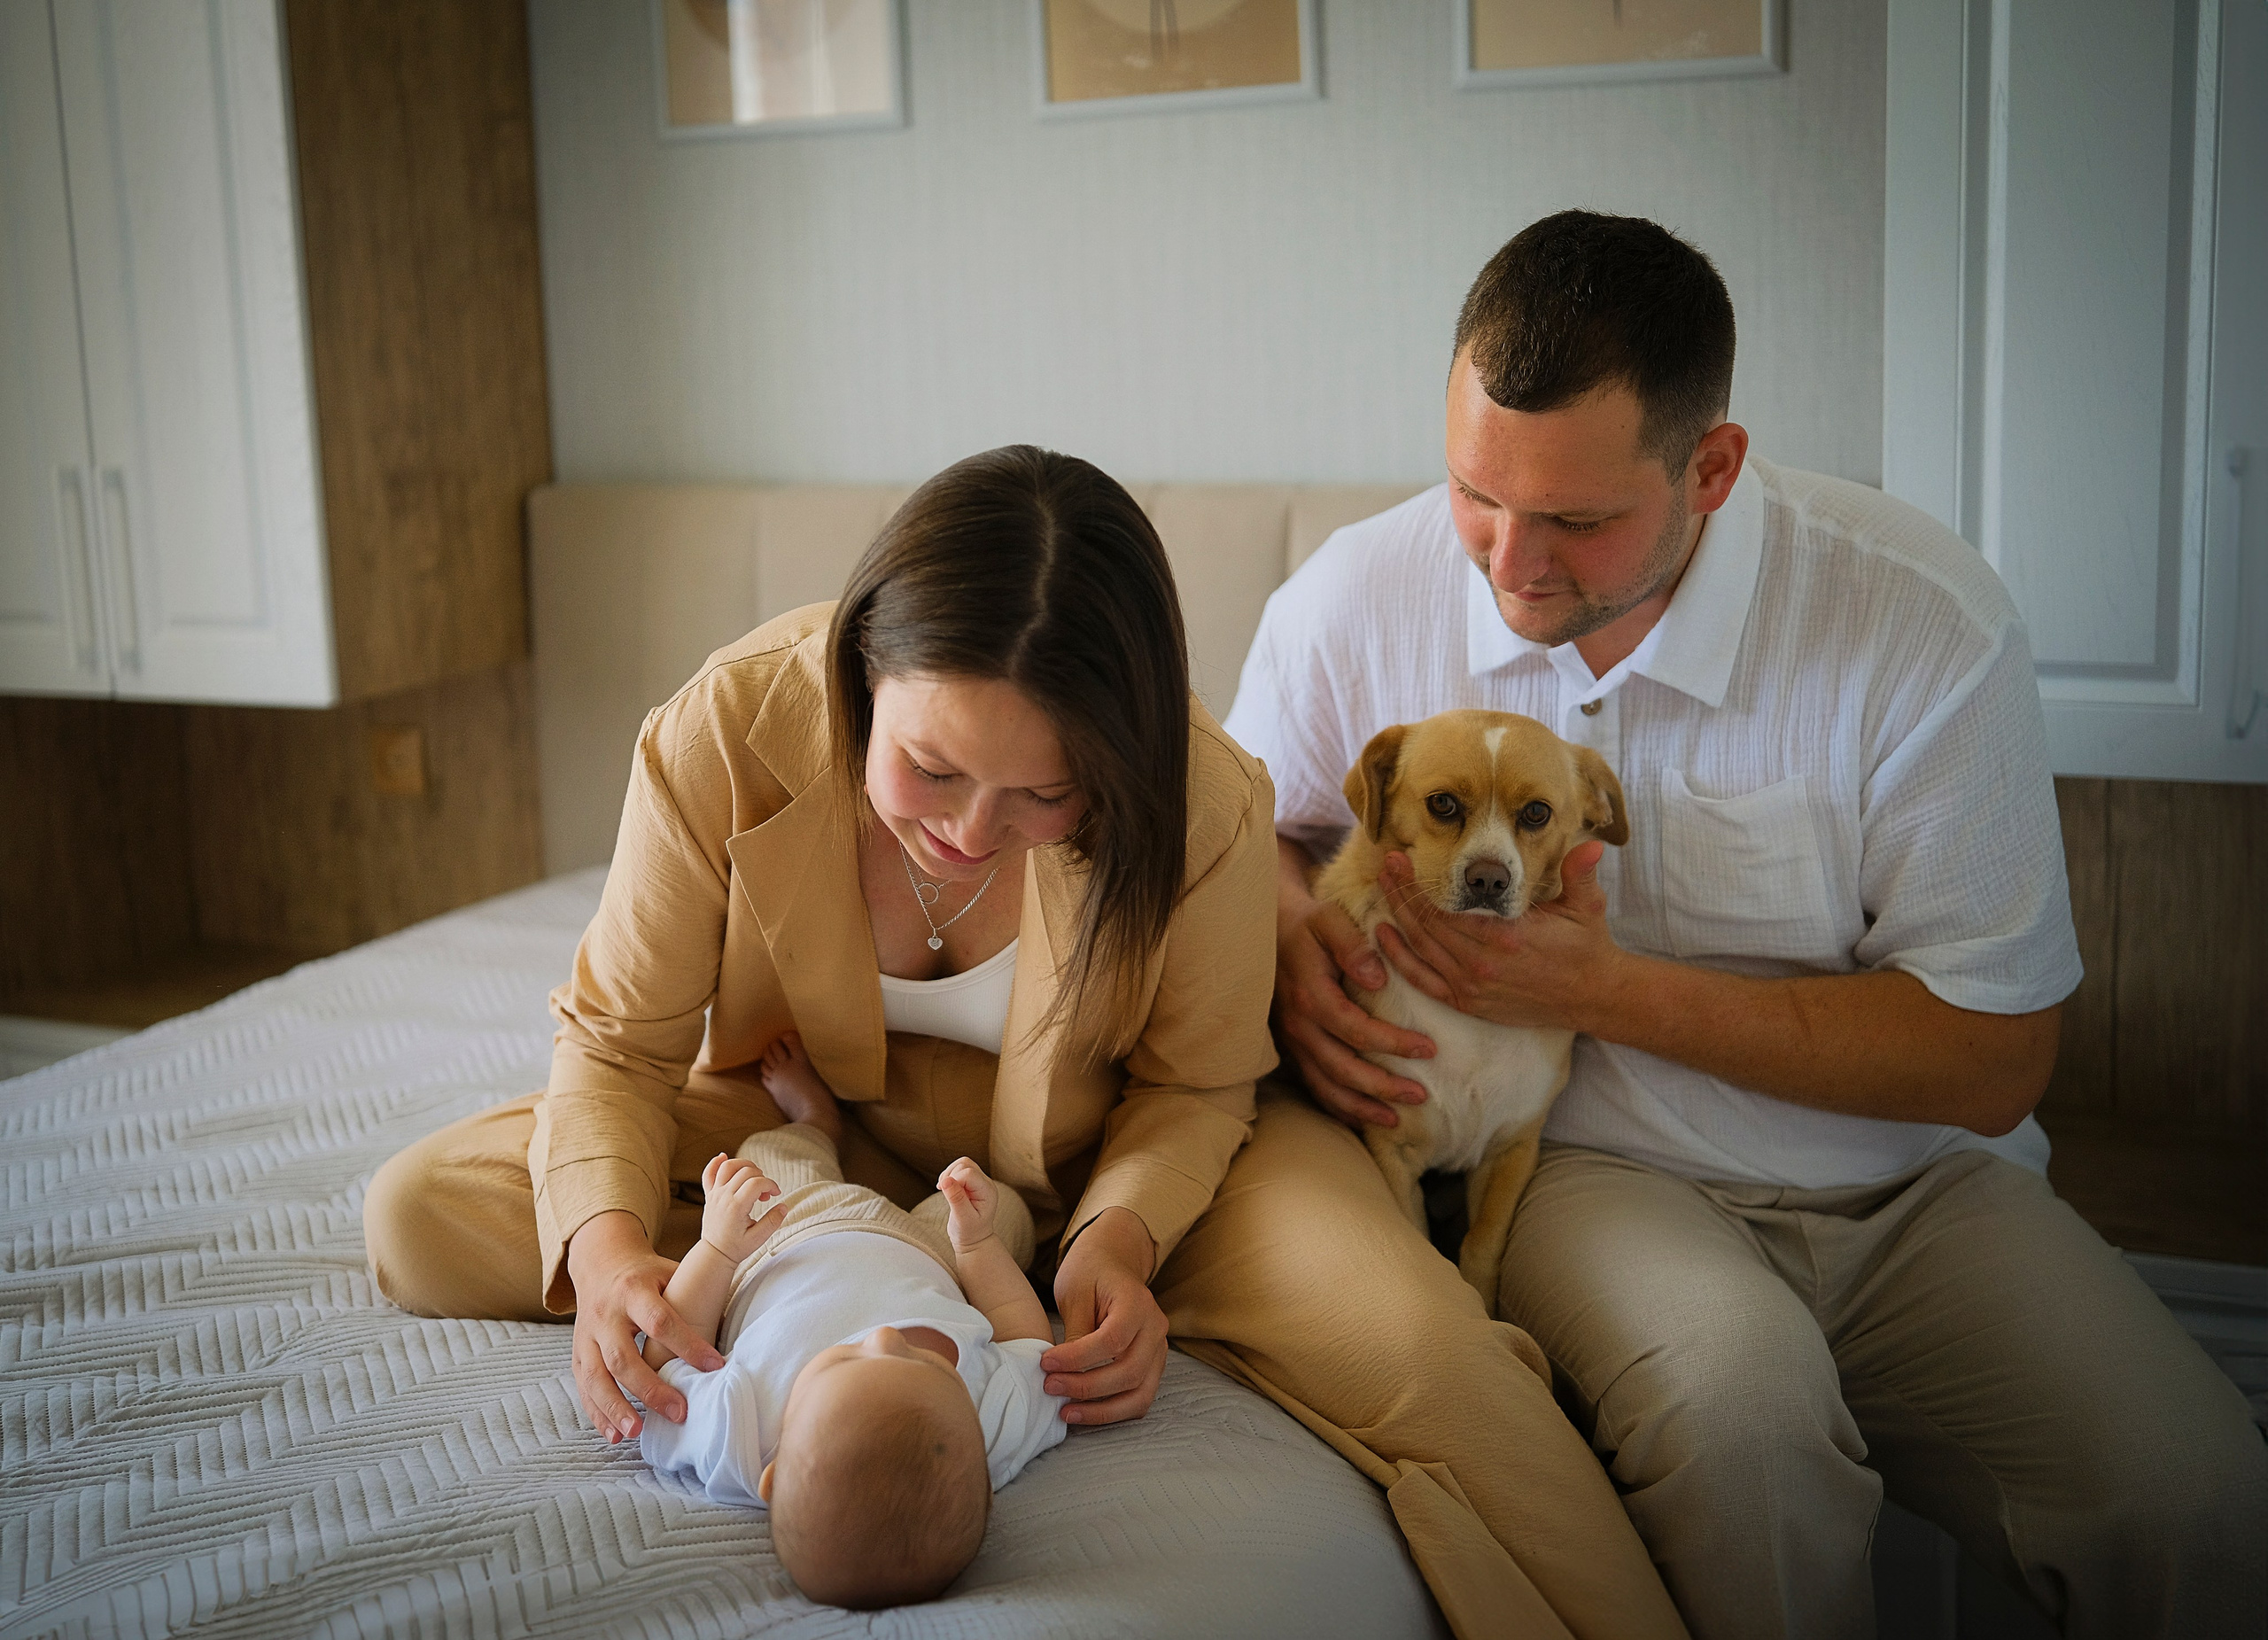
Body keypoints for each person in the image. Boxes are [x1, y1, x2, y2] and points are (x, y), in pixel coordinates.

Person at [363, 443, 1686, 1637]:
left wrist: (1119, 1240)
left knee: (1428, 1357)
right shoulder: (727, 729)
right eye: (930, 771)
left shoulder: (1207, 801)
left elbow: (1196, 1087)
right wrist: (609, 1261)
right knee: (424, 1215)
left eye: (1045, 793)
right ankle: (860, 1251)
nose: (967, 832)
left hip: (1110, 1165)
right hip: (798, 1147)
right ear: (863, 672)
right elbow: (616, 1040)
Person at [1226, 209, 2268, 1640]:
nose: (1509, 562)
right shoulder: (1356, 595)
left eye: (1578, 520)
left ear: (1711, 468)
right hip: (1601, 1176)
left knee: (2199, 1499)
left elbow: (1996, 1058)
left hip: (1919, 1192)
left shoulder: (1920, 621)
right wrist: (1298, 941)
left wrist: (1603, 990)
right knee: (1743, 1437)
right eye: (1476, 491)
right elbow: (1239, 826)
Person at [636, 1035, 1064, 1608]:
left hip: (793, 1232)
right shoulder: (989, 1429)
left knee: (765, 1158)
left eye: (842, 1360)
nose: (884, 1335)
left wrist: (716, 1249)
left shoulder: (738, 1431)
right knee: (1008, 1207)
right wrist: (979, 1244)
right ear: (985, 1479)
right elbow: (1028, 1340)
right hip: (939, 1253)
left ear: (773, 1474)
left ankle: (815, 1121)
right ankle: (942, 1200)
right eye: (927, 1363)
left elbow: (666, 1358)